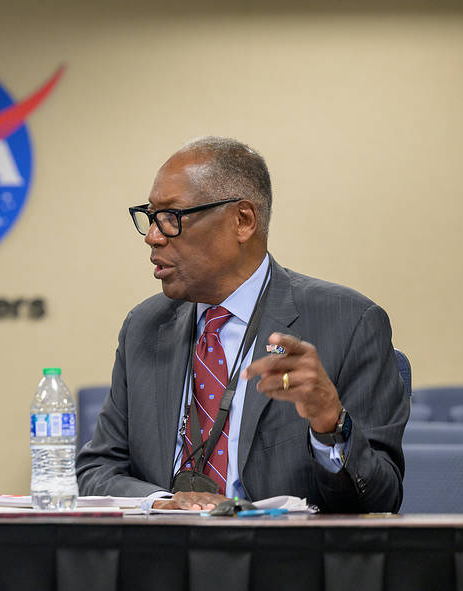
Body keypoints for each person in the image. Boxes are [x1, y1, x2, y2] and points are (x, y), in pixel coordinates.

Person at [76, 137, 407, 513]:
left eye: (171, 218)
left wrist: (330, 423)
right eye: (151, 217)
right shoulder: (145, 327)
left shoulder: (349, 323)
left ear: (243, 221)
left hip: (282, 561)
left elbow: (380, 500)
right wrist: (163, 503)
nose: (153, 236)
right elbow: (95, 471)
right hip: (163, 558)